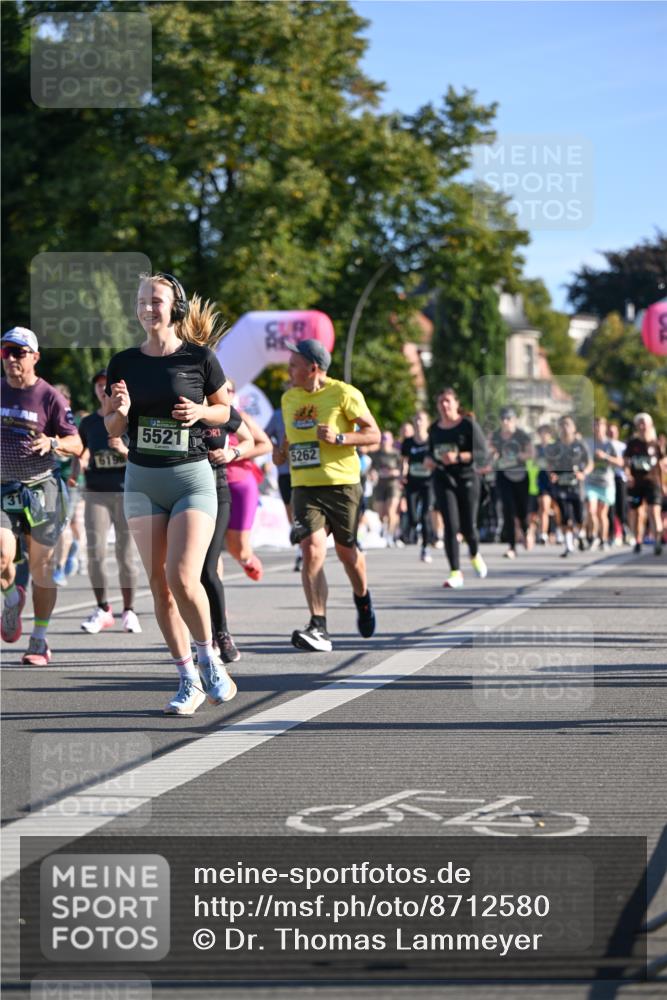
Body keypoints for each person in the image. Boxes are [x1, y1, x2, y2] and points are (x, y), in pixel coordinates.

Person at [105, 272, 236, 715]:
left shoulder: (200, 358)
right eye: (142, 300)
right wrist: (121, 413)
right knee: (159, 588)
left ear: (174, 307)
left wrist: (200, 411)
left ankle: (209, 659)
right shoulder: (123, 362)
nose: (147, 308)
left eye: (156, 300)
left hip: (190, 478)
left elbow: (225, 410)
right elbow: (112, 425)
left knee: (182, 576)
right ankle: (187, 679)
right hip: (142, 480)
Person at [273, 339, 380, 652]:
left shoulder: (344, 393)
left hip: (342, 485)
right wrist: (281, 452)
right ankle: (318, 625)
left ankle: (362, 598)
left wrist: (340, 437)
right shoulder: (289, 398)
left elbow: (373, 433)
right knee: (311, 549)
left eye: (294, 365)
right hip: (304, 486)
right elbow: (291, 436)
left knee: (347, 554)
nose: (289, 370)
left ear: (313, 368)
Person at [0, 327, 82, 664]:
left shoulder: (49, 397)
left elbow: (76, 443)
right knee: (2, 555)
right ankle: (11, 599)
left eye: (18, 352)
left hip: (40, 489)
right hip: (3, 487)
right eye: (6, 352)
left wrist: (53, 442)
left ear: (35, 357)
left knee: (42, 568)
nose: (11, 359)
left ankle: (39, 639)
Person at [75, 369, 141, 634]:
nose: (103, 390)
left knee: (126, 555)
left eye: (107, 385)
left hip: (126, 492)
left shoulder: (131, 419)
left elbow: (143, 456)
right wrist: (76, 470)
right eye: (99, 386)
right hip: (96, 493)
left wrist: (123, 450)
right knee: (95, 553)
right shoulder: (89, 423)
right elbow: (78, 451)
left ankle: (129, 610)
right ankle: (103, 608)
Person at [200, 382, 255, 663]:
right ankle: (202, 639)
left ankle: (221, 634)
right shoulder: (179, 408)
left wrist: (232, 453)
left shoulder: (223, 412)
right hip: (183, 495)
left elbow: (250, 441)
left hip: (217, 493)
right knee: (186, 574)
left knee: (207, 570)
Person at [425, 388, 488, 589]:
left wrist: (459, 457)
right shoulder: (434, 429)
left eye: (448, 401)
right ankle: (455, 572)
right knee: (451, 526)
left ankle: (474, 553)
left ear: (456, 403)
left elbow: (482, 453)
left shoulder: (468, 425)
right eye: (441, 402)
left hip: (467, 478)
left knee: (468, 527)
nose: (444, 405)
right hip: (443, 479)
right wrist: (429, 460)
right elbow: (430, 452)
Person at [223, 396, 272, 581]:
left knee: (238, 547)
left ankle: (248, 560)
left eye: (229, 390)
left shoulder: (239, 416)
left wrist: (235, 453)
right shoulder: (202, 414)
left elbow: (266, 445)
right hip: (211, 482)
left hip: (240, 483)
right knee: (210, 547)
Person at [490, 407, 533, 559]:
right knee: (508, 509)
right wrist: (493, 456)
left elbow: (530, 454)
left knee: (522, 511)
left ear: (514, 420)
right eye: (503, 419)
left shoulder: (522, 435)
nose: (505, 422)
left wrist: (518, 456)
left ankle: (526, 530)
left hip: (520, 476)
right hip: (503, 476)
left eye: (508, 419)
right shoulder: (496, 435)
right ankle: (512, 547)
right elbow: (490, 451)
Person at [548, 415, 592, 557]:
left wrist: (583, 473)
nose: (565, 428)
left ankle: (581, 534)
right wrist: (552, 474)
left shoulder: (580, 445)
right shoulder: (555, 446)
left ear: (573, 428)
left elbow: (590, 463)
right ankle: (568, 546)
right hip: (561, 484)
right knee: (564, 514)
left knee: (580, 516)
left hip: (576, 485)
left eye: (567, 424)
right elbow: (549, 464)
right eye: (562, 425)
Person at [266, 402, 302, 571]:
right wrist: (276, 449)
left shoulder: (312, 408)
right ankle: (299, 540)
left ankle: (303, 551)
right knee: (291, 511)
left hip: (306, 471)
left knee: (304, 511)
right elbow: (264, 435)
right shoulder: (278, 414)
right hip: (285, 471)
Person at [624, 412, 664, 556]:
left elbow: (661, 465)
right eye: (639, 424)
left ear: (650, 425)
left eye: (644, 423)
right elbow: (626, 463)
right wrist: (628, 476)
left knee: (654, 511)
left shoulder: (656, 444)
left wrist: (663, 485)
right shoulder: (632, 444)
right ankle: (638, 540)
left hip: (653, 483)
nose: (642, 426)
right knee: (637, 513)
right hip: (636, 484)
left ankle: (657, 541)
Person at [584, 417, 623, 550]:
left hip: (606, 483)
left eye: (599, 425)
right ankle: (593, 537)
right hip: (591, 482)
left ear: (604, 427)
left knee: (602, 514)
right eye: (595, 425)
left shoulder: (610, 444)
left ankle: (603, 539)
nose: (597, 428)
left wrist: (605, 456)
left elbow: (620, 462)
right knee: (591, 510)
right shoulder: (588, 443)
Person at [401, 409, 434, 562]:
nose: (418, 423)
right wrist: (402, 474)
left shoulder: (432, 440)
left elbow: (438, 459)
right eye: (416, 419)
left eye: (421, 420)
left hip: (428, 483)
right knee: (413, 517)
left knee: (425, 515)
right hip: (412, 482)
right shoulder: (408, 442)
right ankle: (417, 528)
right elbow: (404, 460)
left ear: (427, 423)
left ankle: (425, 547)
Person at [371, 429, 403, 546]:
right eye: (382, 438)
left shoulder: (396, 454)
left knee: (391, 510)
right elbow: (371, 469)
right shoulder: (376, 454)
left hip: (393, 484)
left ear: (391, 440)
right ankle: (385, 530)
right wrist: (372, 473)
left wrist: (395, 472)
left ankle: (390, 535)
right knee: (380, 513)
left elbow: (402, 469)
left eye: (386, 438)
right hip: (380, 484)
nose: (384, 441)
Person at [607, 422, 630, 545]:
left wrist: (608, 458)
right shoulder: (603, 445)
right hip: (607, 479)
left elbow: (623, 463)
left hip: (620, 478)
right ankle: (612, 533)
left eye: (613, 431)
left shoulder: (622, 446)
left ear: (617, 432)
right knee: (610, 507)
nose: (611, 433)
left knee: (621, 506)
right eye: (609, 431)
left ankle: (624, 530)